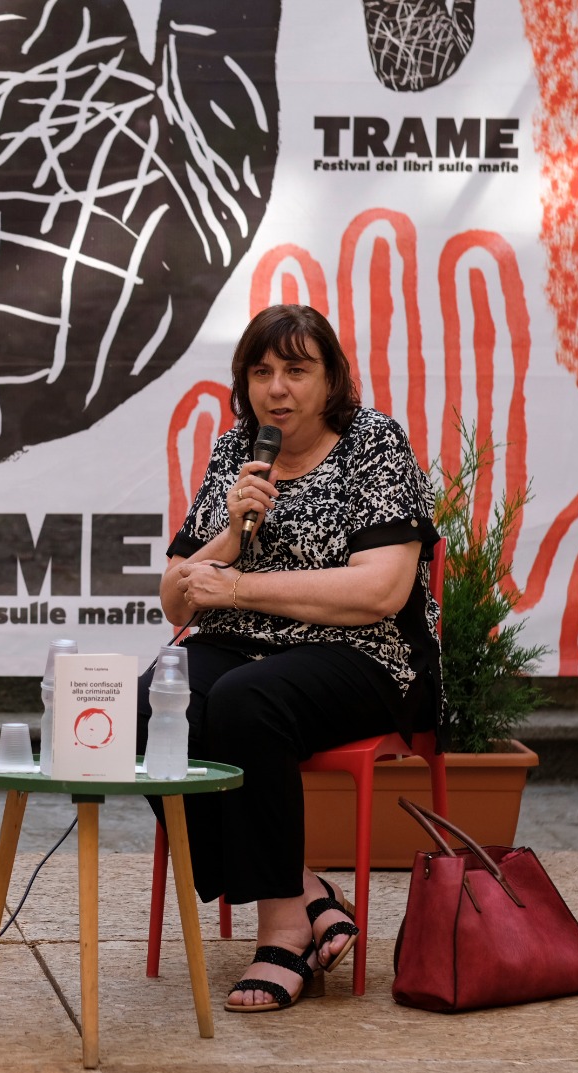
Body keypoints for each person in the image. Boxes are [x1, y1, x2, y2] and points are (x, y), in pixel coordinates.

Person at [143, 304, 442, 1013]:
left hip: (365, 654)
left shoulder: (374, 444)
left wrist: (239, 587)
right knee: (148, 704)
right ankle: (308, 892)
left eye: (296, 370)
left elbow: (381, 591)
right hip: (239, 644)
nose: (276, 388)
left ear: (330, 378)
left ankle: (282, 931)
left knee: (246, 701)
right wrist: (230, 535)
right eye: (261, 371)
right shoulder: (237, 452)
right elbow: (177, 602)